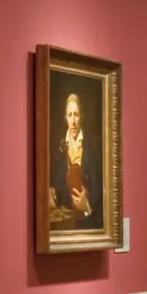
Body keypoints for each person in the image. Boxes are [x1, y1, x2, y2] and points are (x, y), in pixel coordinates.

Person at [49, 91, 102, 230]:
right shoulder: (58, 146)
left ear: (81, 117)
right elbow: (55, 184)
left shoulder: (91, 147)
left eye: (76, 115)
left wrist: (87, 204)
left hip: (87, 221)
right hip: (65, 221)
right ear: (66, 118)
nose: (73, 121)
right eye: (70, 115)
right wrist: (53, 194)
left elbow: (98, 187)